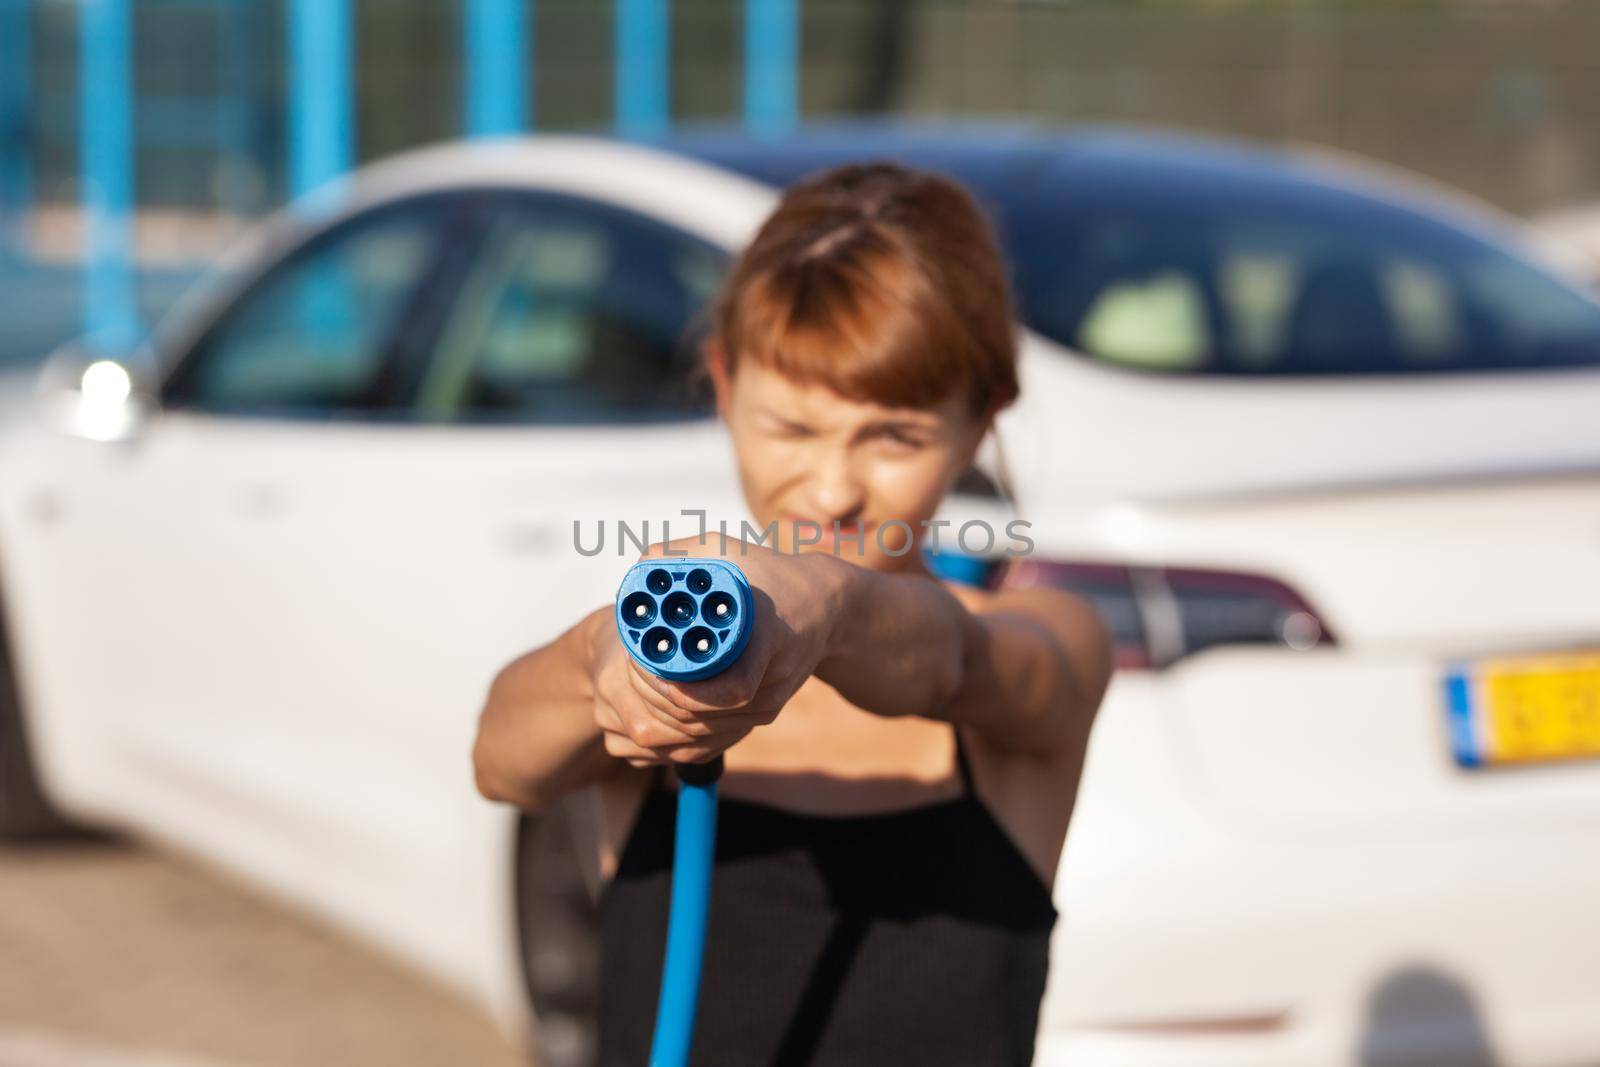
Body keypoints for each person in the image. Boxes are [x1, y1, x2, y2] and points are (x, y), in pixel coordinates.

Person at [472, 161, 1116, 1066]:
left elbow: (962, 661)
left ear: (981, 423)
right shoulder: (664, 660)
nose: (833, 488)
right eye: (792, 428)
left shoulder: (1049, 646)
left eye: (894, 435)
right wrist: (597, 660)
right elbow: (501, 759)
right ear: (725, 387)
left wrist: (831, 607)